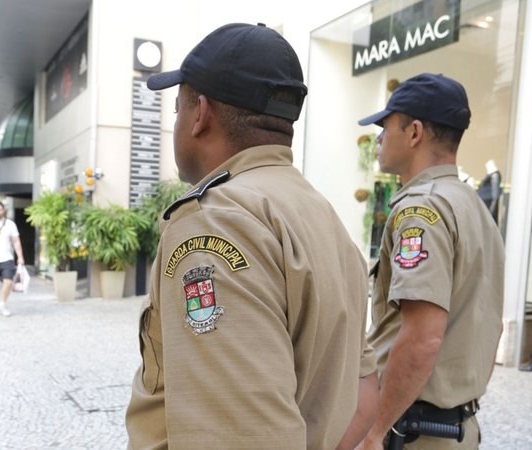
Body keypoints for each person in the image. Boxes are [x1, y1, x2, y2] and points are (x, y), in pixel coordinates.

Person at [125, 23, 377, 449]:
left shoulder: (217, 220)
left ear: (200, 113)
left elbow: (244, 438)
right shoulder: (323, 216)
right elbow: (364, 394)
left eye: (177, 109)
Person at [356, 73, 505, 449]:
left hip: (411, 432)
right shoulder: (474, 208)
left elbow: (423, 338)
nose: (378, 139)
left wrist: (375, 430)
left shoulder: (421, 210)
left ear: (414, 132)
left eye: (385, 126)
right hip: (454, 427)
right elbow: (493, 326)